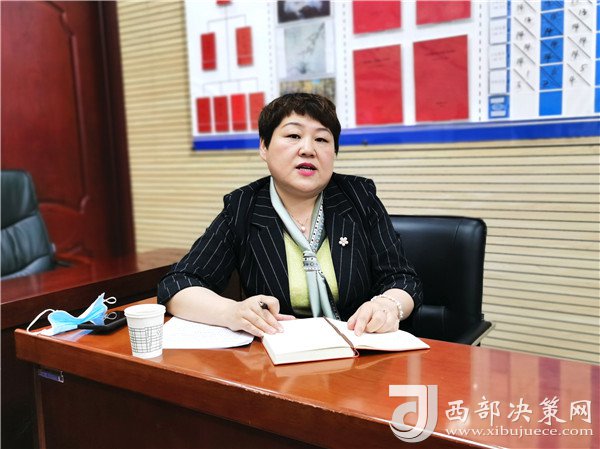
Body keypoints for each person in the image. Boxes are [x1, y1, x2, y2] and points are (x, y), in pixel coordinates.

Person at [157, 93, 422, 338]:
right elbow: (178, 284)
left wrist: (388, 305)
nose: (308, 149)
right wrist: (232, 312)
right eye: (293, 135)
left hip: (360, 349)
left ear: (334, 153)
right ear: (264, 147)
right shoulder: (243, 206)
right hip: (278, 354)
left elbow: (402, 279)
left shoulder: (359, 197)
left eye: (321, 139)